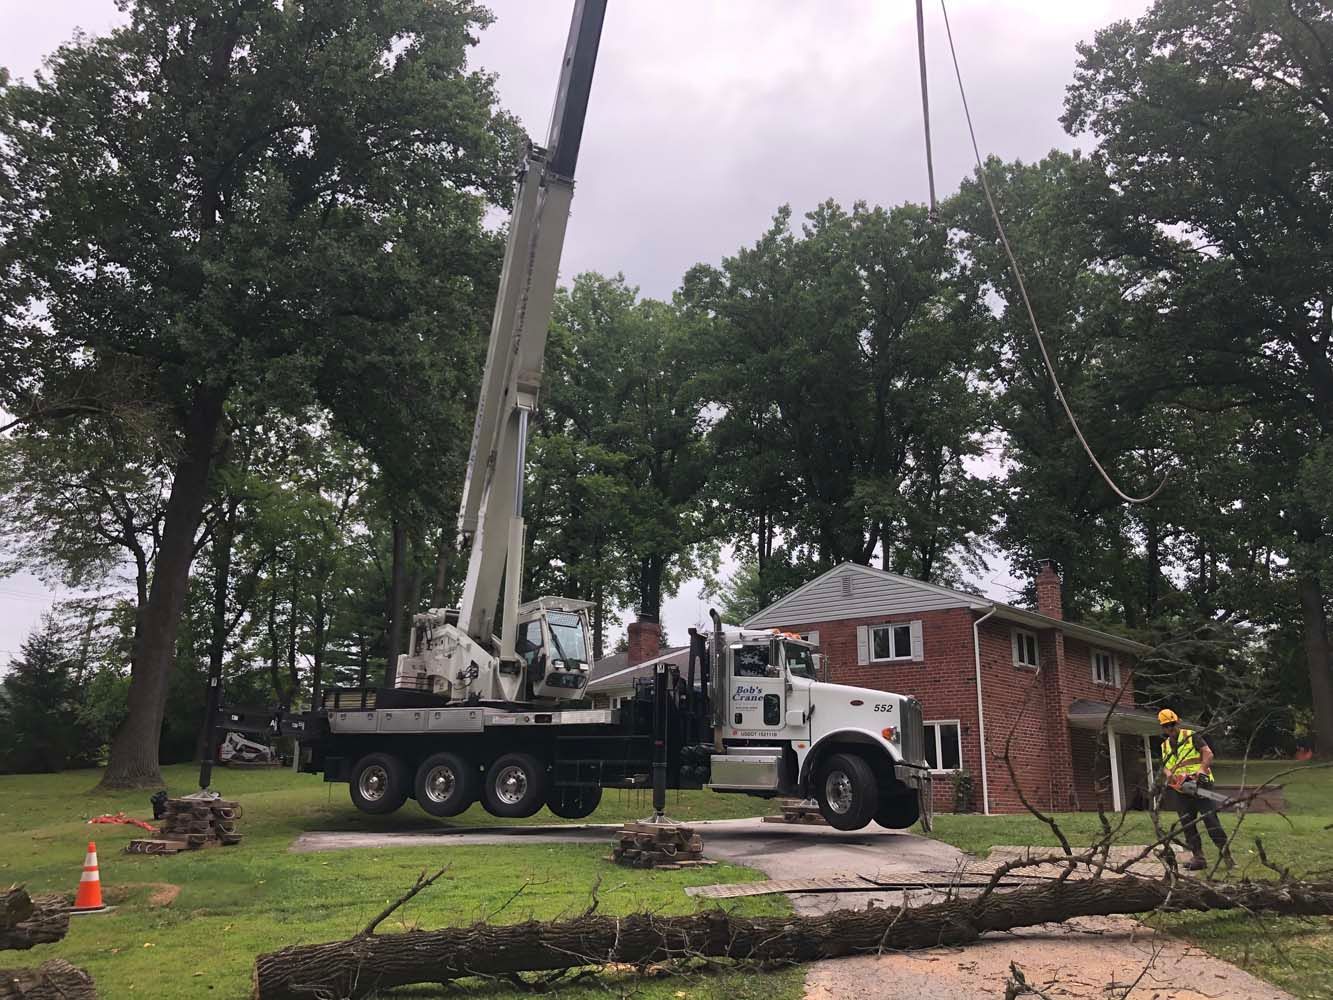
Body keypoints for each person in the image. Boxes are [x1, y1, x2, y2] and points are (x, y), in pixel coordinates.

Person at [1158, 708, 1232, 871]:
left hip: (1200, 786)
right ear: (1162, 728)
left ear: (1177, 722)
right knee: (1187, 824)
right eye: (1166, 726)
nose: (1170, 728)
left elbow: (1208, 753)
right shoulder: (1164, 746)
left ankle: (1227, 856)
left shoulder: (1191, 736)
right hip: (1181, 791)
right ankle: (1199, 857)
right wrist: (1169, 775)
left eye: (1172, 724)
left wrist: (1201, 769)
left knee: (1211, 821)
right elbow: (1165, 767)